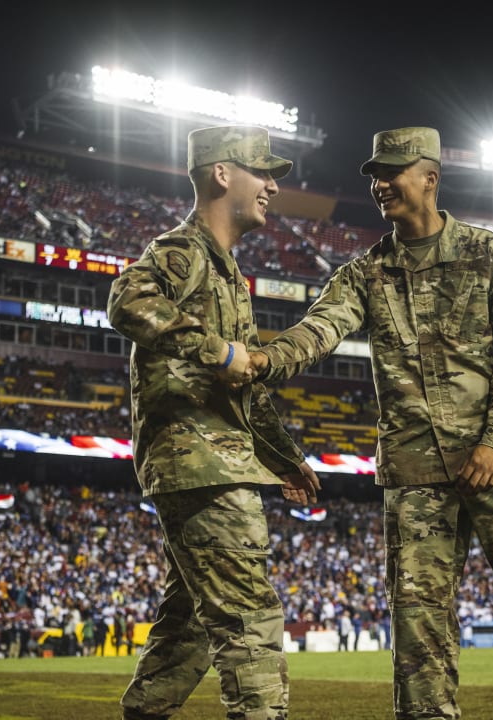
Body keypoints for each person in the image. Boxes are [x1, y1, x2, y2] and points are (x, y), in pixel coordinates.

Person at [244, 127, 493, 720]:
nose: (379, 183)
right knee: (418, 620)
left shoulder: (489, 254)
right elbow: (320, 329)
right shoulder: (366, 274)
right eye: (374, 174)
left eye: (392, 172)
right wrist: (265, 359)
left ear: (430, 178)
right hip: (416, 471)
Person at [108, 124, 321, 720]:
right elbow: (126, 300)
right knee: (249, 617)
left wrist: (287, 460)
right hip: (197, 462)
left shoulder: (231, 276)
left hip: (216, 460)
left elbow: (246, 391)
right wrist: (213, 349)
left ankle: (145, 711)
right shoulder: (184, 251)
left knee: (190, 626)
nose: (274, 186)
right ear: (222, 174)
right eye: (262, 172)